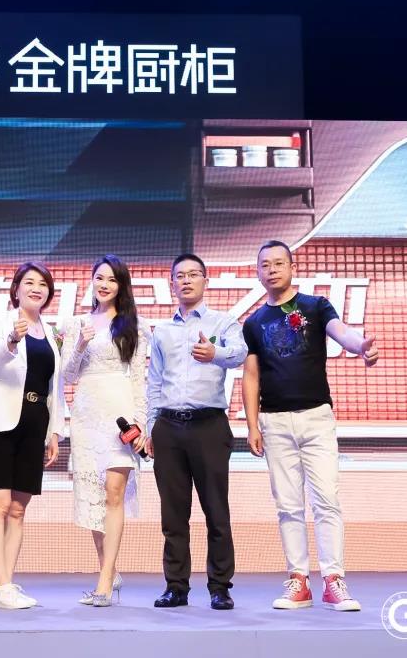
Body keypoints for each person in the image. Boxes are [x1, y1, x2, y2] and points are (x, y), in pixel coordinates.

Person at [242, 240, 379, 612]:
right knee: (288, 505)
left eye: (278, 263)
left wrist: (360, 346)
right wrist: (252, 425)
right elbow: (251, 376)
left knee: (326, 501)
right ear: (258, 272)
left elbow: (342, 332)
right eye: (265, 265)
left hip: (316, 418)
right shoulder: (253, 323)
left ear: (292, 267)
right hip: (274, 421)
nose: (272, 270)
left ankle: (334, 580)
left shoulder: (316, 306)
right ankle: (298, 582)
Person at [145, 253, 248, 610]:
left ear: (206, 280)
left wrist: (214, 353)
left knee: (216, 511)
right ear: (171, 284)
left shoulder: (224, 321)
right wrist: (151, 427)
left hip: (209, 425)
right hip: (168, 427)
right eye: (180, 276)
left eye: (193, 274)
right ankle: (176, 587)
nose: (186, 280)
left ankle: (220, 587)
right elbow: (154, 382)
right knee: (174, 514)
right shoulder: (162, 331)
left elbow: (240, 354)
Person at [0, 261, 65, 610]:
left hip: (35, 422)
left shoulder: (51, 332)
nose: (36, 288)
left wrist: (55, 432)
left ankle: (6, 584)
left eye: (43, 284)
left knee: (19, 509)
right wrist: (12, 339)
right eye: (29, 282)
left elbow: (55, 386)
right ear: (17, 289)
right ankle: (2, 584)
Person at [62, 254, 149, 607]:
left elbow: (139, 379)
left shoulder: (134, 327)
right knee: (97, 497)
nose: (104, 284)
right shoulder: (77, 324)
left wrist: (141, 423)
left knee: (114, 493)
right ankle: (109, 571)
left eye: (112, 279)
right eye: (100, 277)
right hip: (86, 415)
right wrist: (80, 344)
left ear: (121, 285)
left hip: (119, 414)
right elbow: (68, 376)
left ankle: (104, 583)